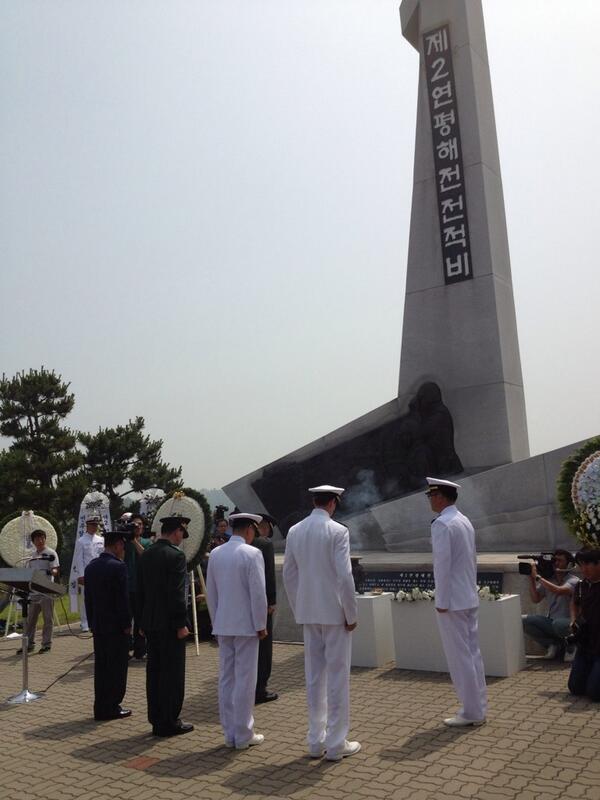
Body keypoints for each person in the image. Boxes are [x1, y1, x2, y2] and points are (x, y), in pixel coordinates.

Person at [283, 485, 360, 762]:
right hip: (334, 614)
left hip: (309, 612)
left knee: (314, 678)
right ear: (333, 503)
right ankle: (337, 743)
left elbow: (289, 575)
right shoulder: (338, 531)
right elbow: (344, 576)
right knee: (337, 678)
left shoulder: (295, 530)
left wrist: (299, 608)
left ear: (315, 501)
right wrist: (351, 614)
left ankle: (316, 741)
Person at [426, 477, 487, 727]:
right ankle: (478, 707)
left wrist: (441, 599)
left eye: (431, 495)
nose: (429, 500)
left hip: (452, 599)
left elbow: (442, 565)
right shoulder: (463, 520)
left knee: (459, 657)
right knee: (472, 655)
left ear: (440, 496)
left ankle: (471, 711)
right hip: (467, 595)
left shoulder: (442, 524)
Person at [207, 513, 268, 749]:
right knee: (245, 678)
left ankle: (230, 733)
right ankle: (243, 734)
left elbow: (211, 592)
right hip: (246, 626)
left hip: (223, 623)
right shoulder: (252, 554)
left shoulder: (216, 553)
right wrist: (261, 624)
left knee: (226, 678)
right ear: (250, 530)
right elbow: (258, 593)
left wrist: (215, 621)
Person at [138, 514, 193, 737]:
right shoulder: (176, 556)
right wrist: (181, 623)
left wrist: (140, 621)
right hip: (170, 625)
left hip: (151, 623)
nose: (182, 538)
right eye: (182, 533)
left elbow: (139, 591)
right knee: (172, 674)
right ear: (175, 531)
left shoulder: (147, 553)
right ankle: (170, 720)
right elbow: (177, 594)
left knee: (155, 672)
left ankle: (156, 718)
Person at [84, 529, 132, 721]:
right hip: (116, 627)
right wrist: (127, 623)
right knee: (117, 668)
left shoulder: (91, 566)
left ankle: (101, 706)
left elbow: (88, 599)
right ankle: (112, 705)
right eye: (122, 545)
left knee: (102, 667)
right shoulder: (118, 567)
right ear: (117, 545)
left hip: (99, 625)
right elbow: (123, 600)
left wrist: (91, 621)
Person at [521, 550, 578, 661]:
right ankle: (553, 645)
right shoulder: (549, 580)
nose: (556, 563)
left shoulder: (573, 580)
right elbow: (536, 599)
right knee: (523, 620)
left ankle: (571, 647)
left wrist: (538, 577)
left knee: (558, 624)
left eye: (560, 561)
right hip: (552, 622)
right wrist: (532, 579)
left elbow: (559, 590)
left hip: (569, 623)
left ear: (569, 564)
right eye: (554, 560)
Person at [17, 529, 60, 655]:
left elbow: (56, 570)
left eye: (42, 538)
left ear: (45, 539)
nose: (40, 541)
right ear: (33, 541)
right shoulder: (32, 556)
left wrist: (49, 572)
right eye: (37, 539)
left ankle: (46, 645)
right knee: (30, 620)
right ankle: (29, 644)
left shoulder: (51, 553)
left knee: (48, 619)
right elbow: (28, 573)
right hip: (34, 592)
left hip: (46, 591)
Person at [568, 549, 600, 702]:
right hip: (586, 643)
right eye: (581, 565)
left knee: (594, 694)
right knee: (575, 688)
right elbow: (574, 603)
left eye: (587, 564)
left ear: (598, 564)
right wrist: (574, 620)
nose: (584, 569)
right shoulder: (581, 586)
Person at [252, 512, 278, 703]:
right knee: (263, 648)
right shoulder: (264, 544)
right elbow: (269, 575)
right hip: (262, 604)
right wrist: (271, 601)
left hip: (243, 605)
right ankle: (260, 688)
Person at [123, 514, 151, 659]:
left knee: (140, 619)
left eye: (140, 524)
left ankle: (140, 650)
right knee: (126, 619)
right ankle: (126, 649)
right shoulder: (124, 542)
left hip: (141, 587)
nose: (138, 527)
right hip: (127, 586)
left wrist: (134, 541)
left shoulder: (146, 542)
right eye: (134, 525)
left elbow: (146, 556)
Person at [71, 516, 104, 632]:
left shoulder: (101, 540)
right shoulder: (81, 541)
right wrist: (81, 575)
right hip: (87, 572)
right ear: (87, 526)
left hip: (100, 572)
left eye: (96, 525)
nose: (95, 527)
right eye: (92, 525)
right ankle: (85, 622)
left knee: (100, 597)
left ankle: (99, 619)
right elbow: (78, 559)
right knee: (86, 598)